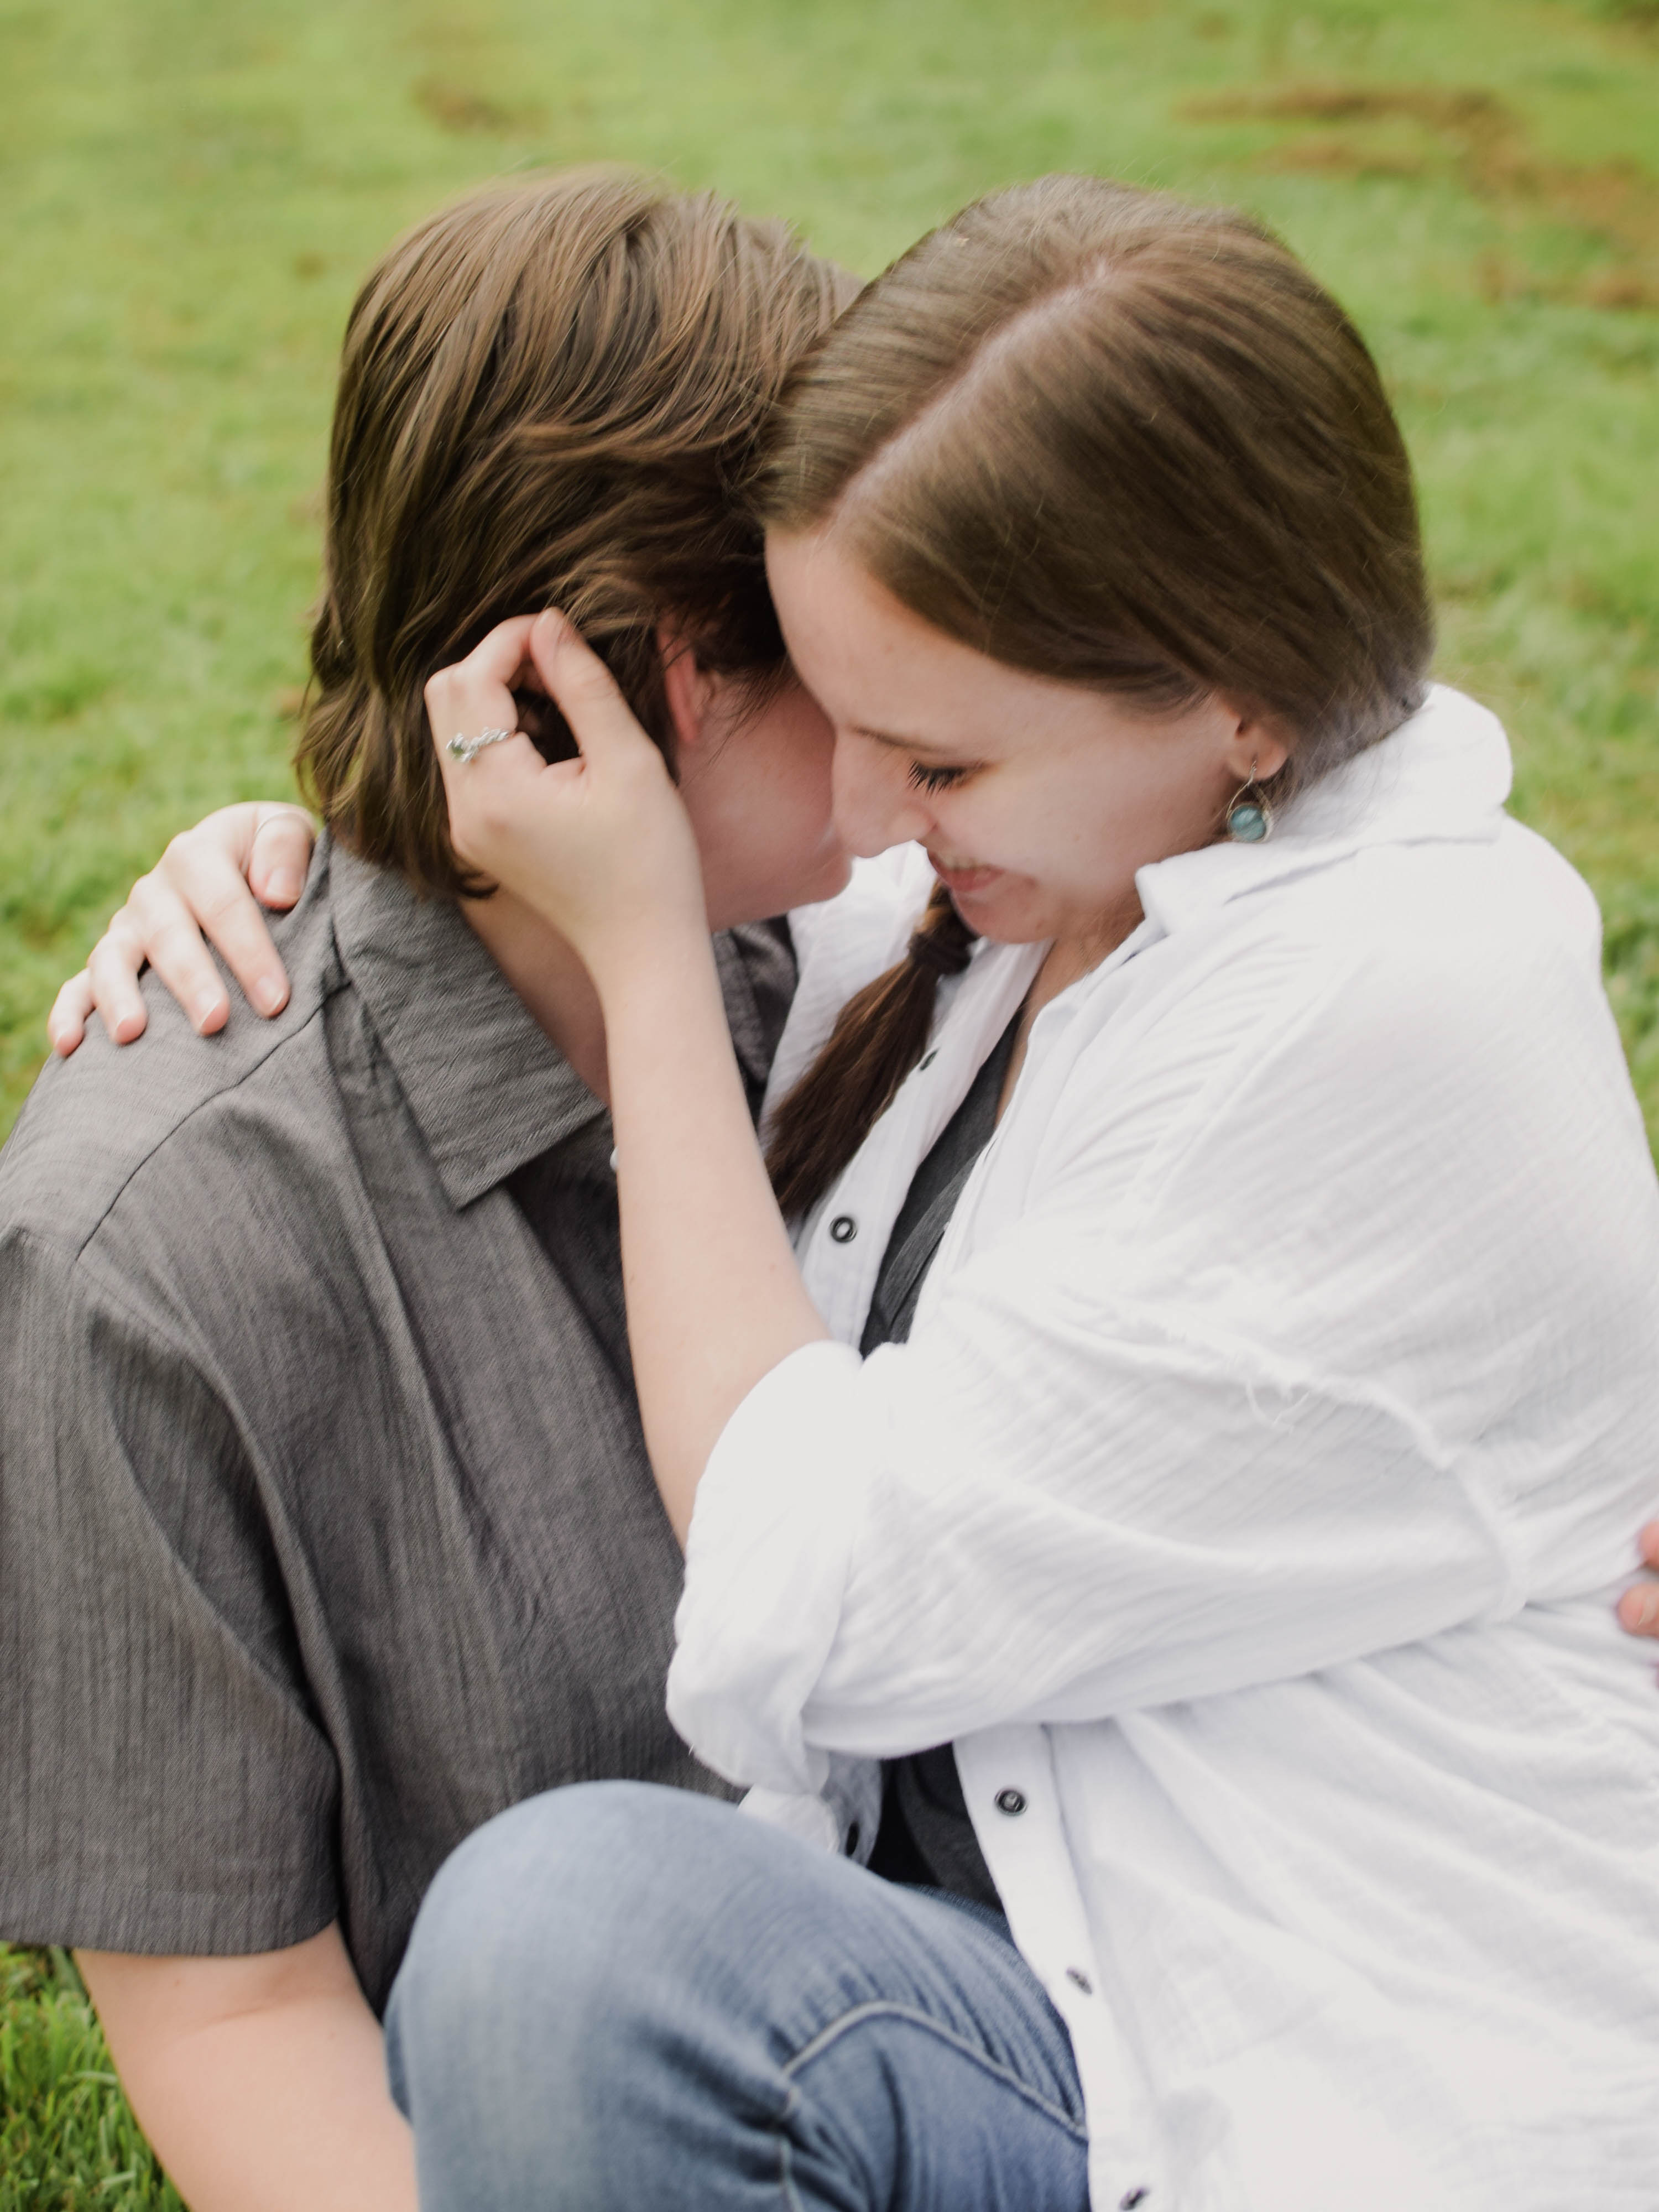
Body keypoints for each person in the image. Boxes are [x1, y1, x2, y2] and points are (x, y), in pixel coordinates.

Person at [51, 175, 1659, 2211]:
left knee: (571, 1935)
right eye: (854, 712)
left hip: (1346, 2081)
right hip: (1056, 2018)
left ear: (1238, 696)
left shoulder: (1359, 991)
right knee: (579, 1946)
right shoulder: (1051, 879)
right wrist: (296, 842)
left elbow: (799, 1593)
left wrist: (642, 944)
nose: (882, 813)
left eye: (941, 759)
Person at [0, 168, 855, 2212]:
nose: (939, 689)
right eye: (857, 636)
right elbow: (237, 2027)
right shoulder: (151, 1252)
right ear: (638, 692)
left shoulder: (898, 956)